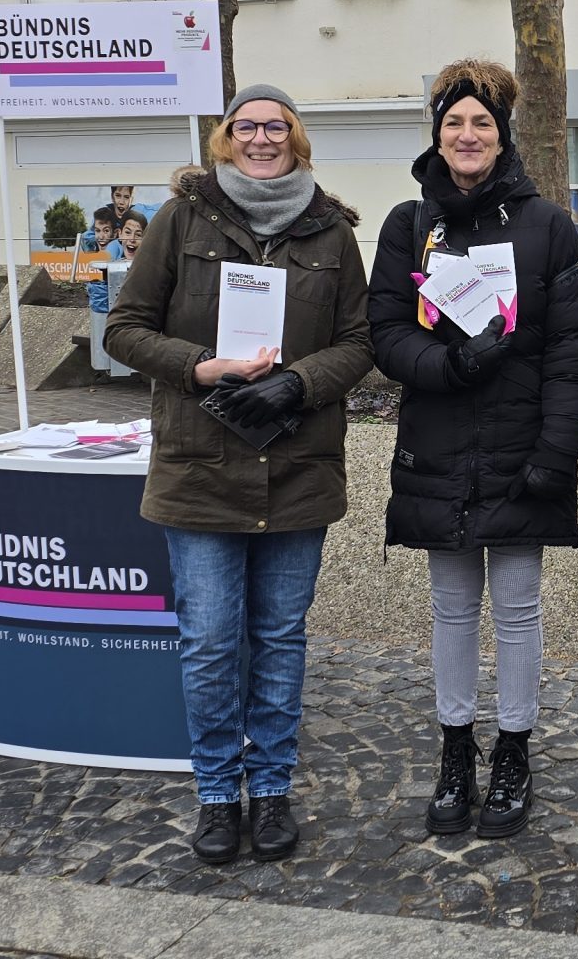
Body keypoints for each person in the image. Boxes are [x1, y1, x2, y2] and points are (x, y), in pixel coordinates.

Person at [102, 84, 374, 867]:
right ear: (226, 138)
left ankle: (273, 789)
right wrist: (201, 367)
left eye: (276, 126)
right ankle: (219, 796)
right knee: (212, 643)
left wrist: (301, 381)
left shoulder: (331, 230)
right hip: (200, 465)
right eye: (246, 126)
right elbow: (125, 329)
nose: (261, 138)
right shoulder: (180, 220)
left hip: (297, 464)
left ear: (297, 136)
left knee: (280, 640)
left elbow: (360, 342)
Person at [366, 58, 578, 841]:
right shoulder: (407, 226)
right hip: (437, 444)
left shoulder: (546, 226)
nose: (468, 135)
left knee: (520, 610)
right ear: (438, 132)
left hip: (523, 446)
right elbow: (386, 335)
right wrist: (450, 363)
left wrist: (556, 455)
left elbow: (571, 352)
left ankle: (515, 751)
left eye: (482, 124)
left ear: (503, 136)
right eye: (455, 122)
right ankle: (456, 749)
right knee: (453, 608)